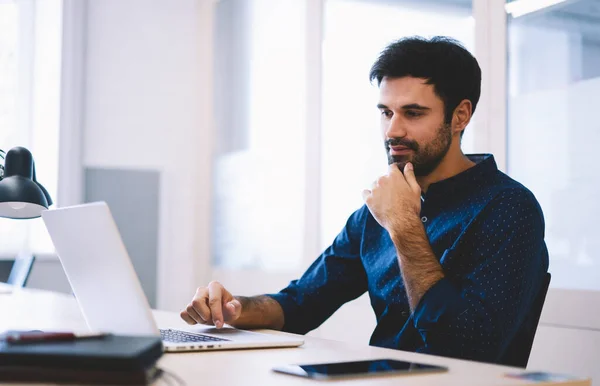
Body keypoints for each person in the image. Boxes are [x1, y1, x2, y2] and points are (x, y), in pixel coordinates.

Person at [180, 36, 549, 364]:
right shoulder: (375, 212)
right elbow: (301, 304)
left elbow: (466, 350)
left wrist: (404, 229)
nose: (393, 130)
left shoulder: (509, 208)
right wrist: (233, 308)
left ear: (460, 116)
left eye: (413, 113)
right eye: (386, 112)